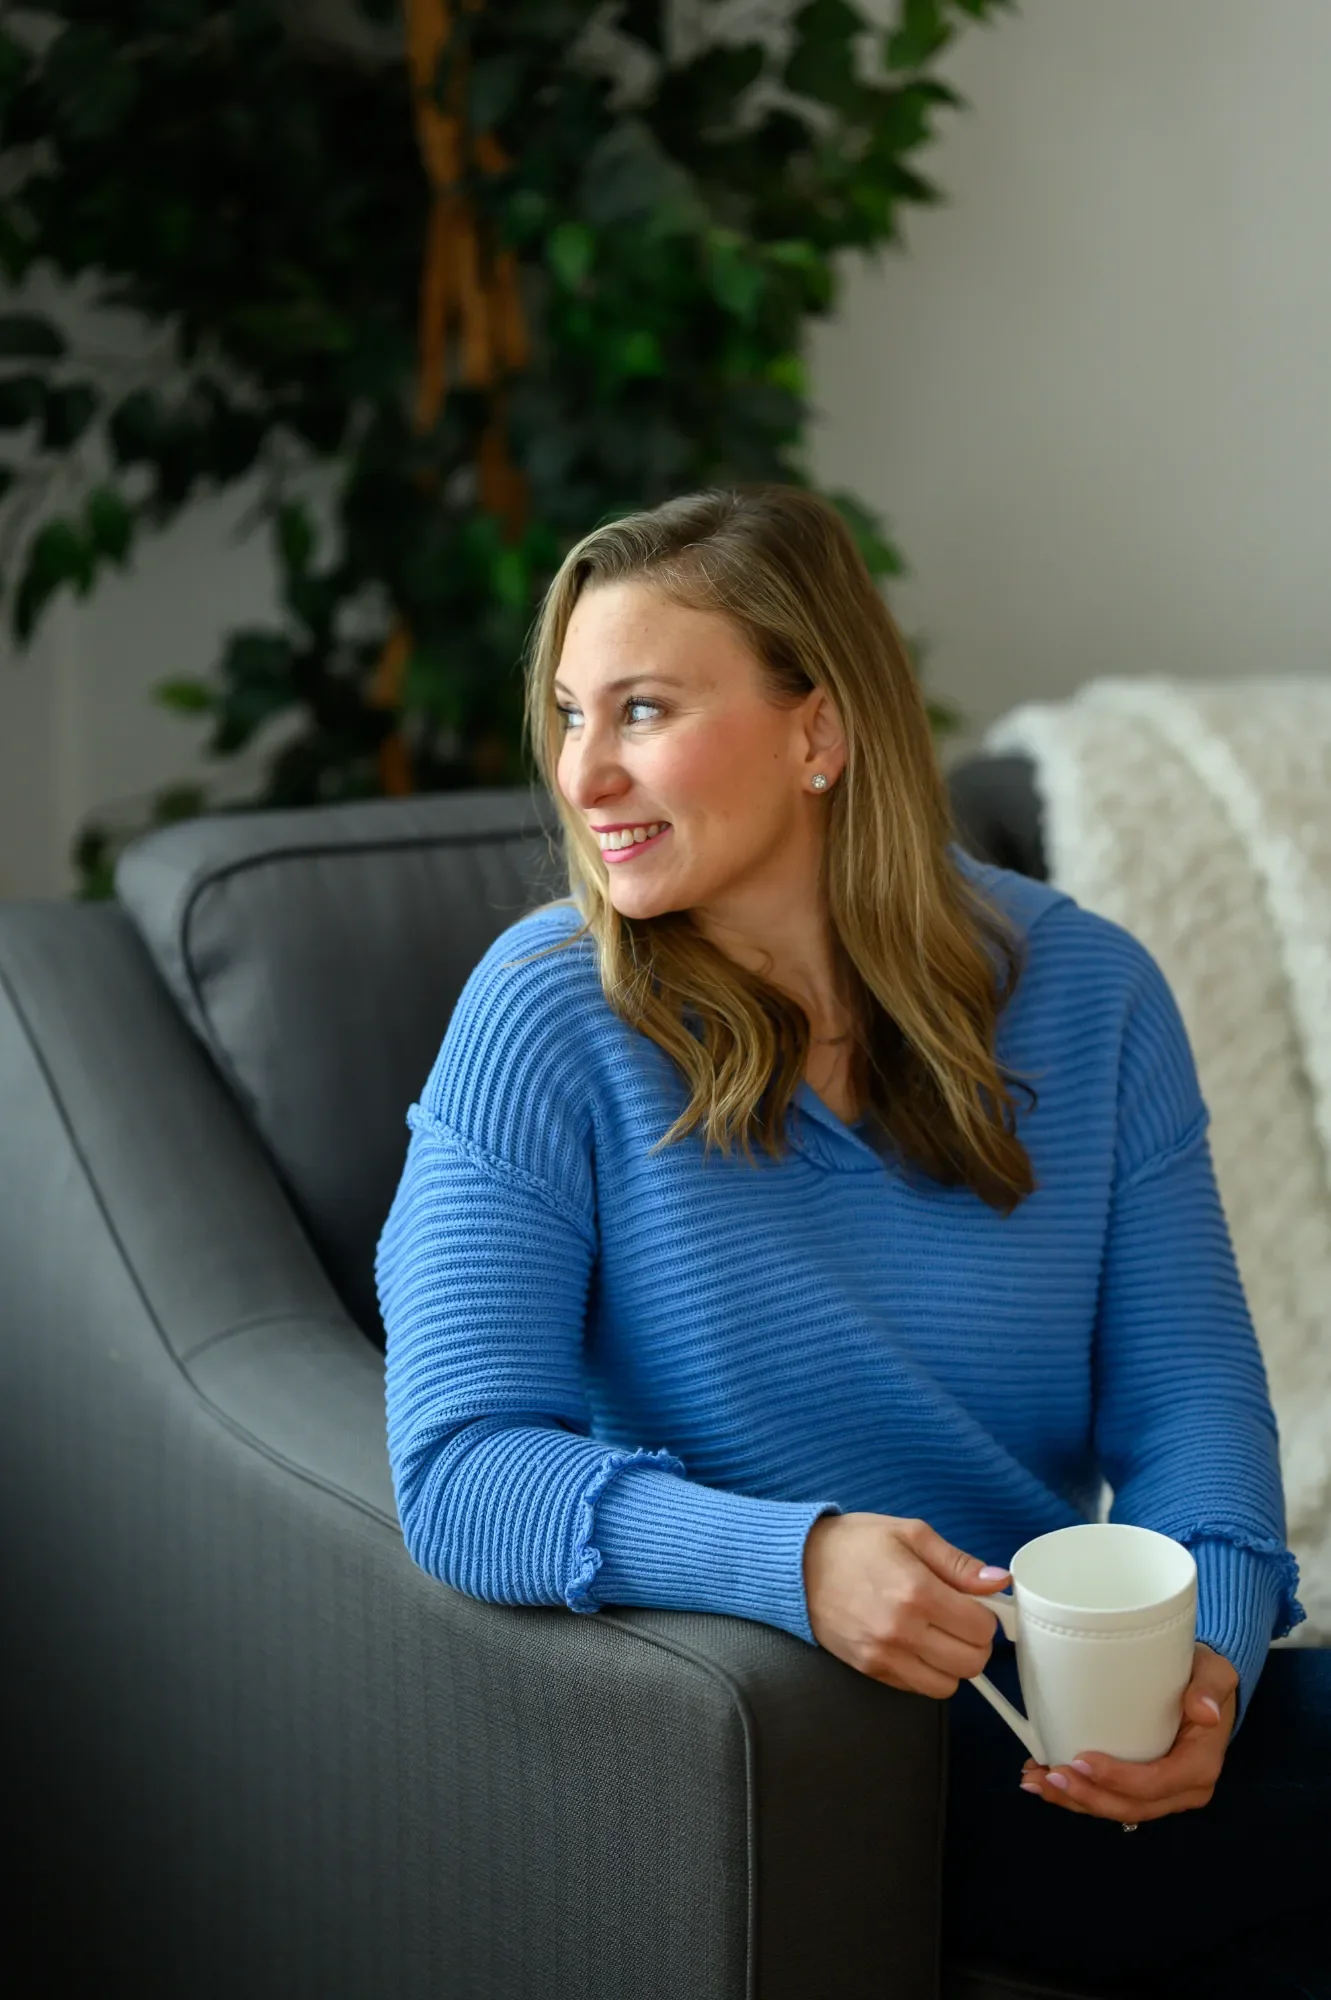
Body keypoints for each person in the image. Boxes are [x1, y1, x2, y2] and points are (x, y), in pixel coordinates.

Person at [375, 484, 1323, 1995]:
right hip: (792, 1741)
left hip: (1062, 1704)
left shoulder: (1087, 994)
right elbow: (459, 1470)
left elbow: (1190, 1408)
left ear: (817, 732)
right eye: (568, 713)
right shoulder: (543, 1012)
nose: (583, 771)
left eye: (641, 709)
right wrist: (795, 1560)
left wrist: (1197, 1661)